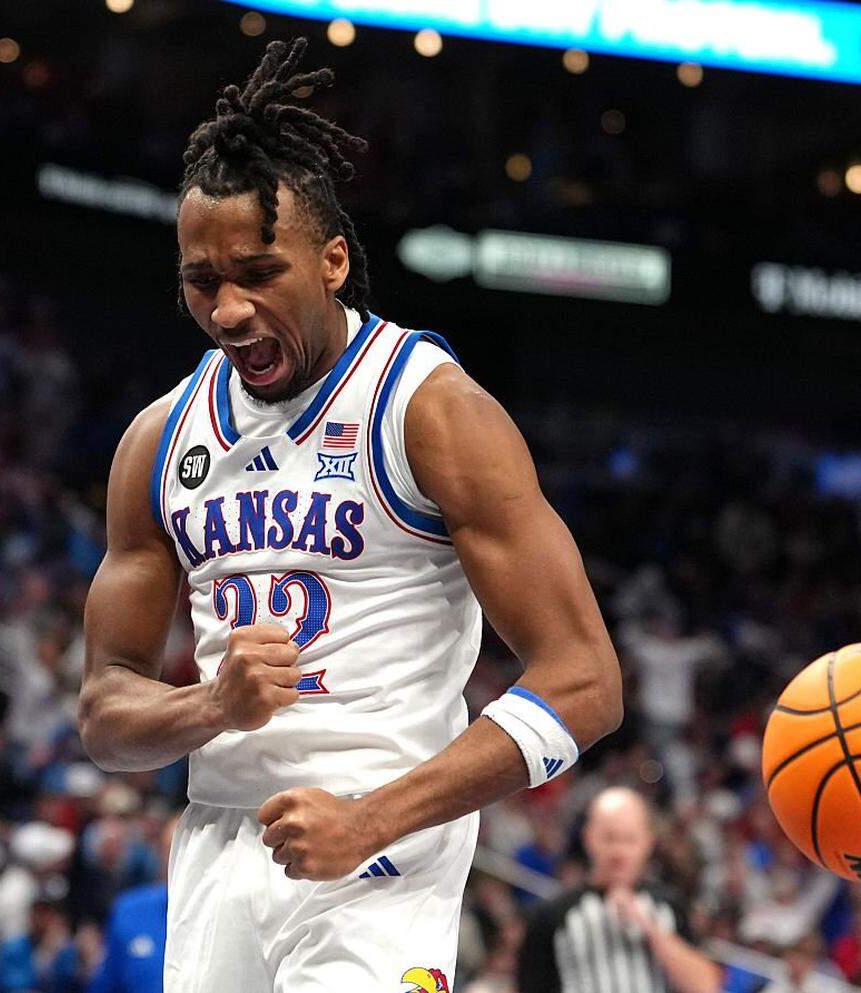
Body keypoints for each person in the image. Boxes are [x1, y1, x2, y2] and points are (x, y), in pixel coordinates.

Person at [76, 37, 621, 993]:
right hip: (216, 849)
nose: (231, 309)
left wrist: (372, 819)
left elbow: (586, 681)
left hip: (387, 850)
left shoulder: (433, 409)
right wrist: (210, 703)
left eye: (258, 272)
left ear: (332, 259)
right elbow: (104, 711)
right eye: (203, 282)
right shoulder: (157, 441)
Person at [517, 787, 720, 993]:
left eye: (629, 839)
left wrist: (648, 927)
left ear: (647, 841)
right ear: (589, 837)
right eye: (610, 838)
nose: (619, 852)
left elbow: (706, 984)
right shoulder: (553, 914)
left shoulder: (668, 904)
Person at [86, 814, 179, 993]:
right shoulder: (129, 910)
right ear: (159, 854)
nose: (183, 859)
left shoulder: (232, 918)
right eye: (172, 849)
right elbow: (107, 983)